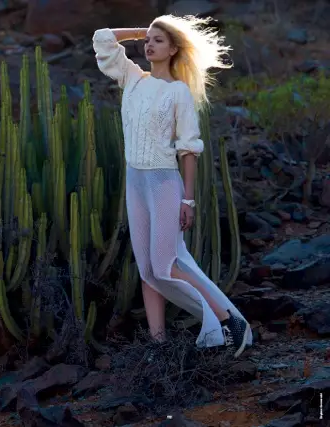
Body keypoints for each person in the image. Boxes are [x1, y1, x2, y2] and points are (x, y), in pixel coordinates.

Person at [93, 15, 252, 358]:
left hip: (164, 181)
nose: (149, 45)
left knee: (165, 262)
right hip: (134, 181)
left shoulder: (178, 92)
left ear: (175, 49)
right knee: (148, 267)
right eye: (147, 40)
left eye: (158, 40)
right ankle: (158, 344)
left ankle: (228, 321)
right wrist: (143, 30)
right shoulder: (133, 78)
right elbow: (103, 37)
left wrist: (189, 201)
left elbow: (189, 148)